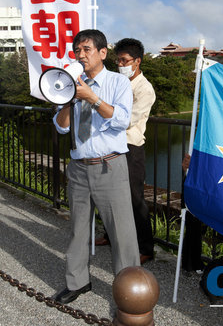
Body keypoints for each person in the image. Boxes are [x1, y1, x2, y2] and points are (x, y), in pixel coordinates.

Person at [52, 29, 140, 305]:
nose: (80, 55)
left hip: (109, 167)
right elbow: (61, 125)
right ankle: (77, 282)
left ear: (102, 53)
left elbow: (123, 120)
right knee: (78, 229)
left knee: (121, 232)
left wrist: (93, 98)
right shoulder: (70, 83)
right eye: (77, 50)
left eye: (86, 49)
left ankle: (131, 290)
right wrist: (69, 100)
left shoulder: (117, 82)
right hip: (79, 167)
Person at [94, 38, 156, 265]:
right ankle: (111, 236)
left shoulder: (145, 89)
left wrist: (104, 113)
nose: (120, 64)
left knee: (135, 198)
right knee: (110, 194)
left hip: (131, 148)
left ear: (137, 61)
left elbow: (128, 120)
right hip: (111, 144)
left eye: (124, 60)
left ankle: (146, 248)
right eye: (117, 59)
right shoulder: (117, 82)